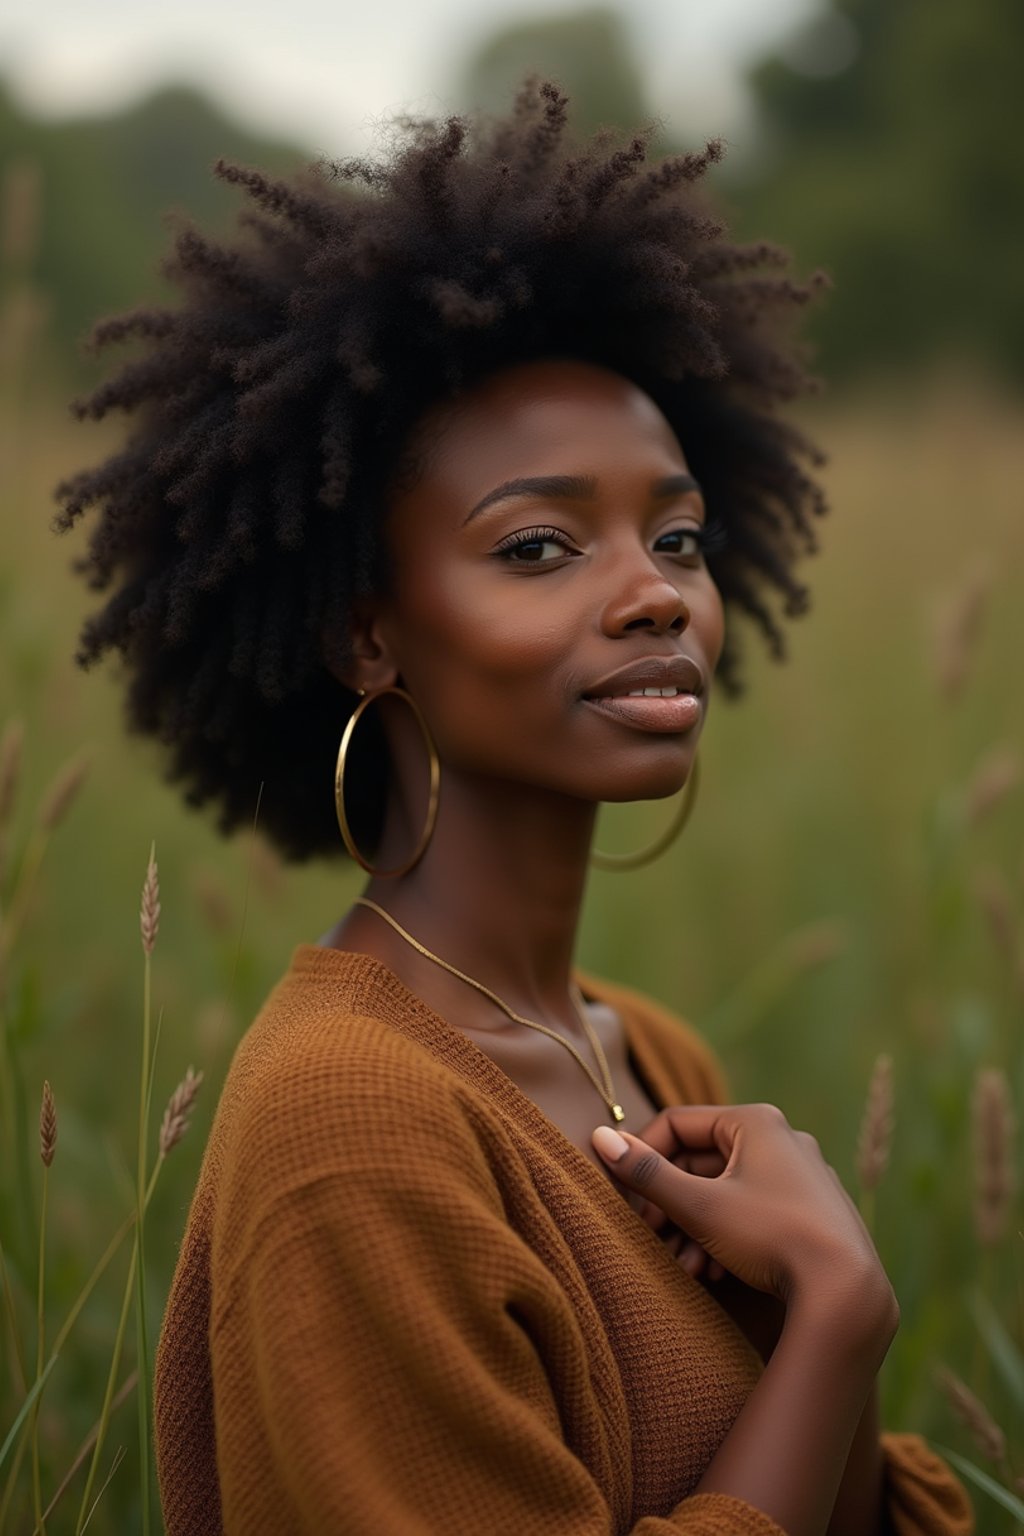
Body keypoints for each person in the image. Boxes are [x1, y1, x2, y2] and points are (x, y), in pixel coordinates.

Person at [55, 80, 973, 1536]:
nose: (656, 592)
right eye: (540, 545)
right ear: (370, 635)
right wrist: (840, 1320)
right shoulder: (352, 1126)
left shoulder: (647, 1054)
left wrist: (816, 1333)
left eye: (678, 536)